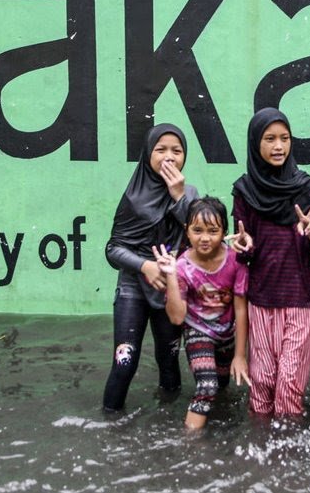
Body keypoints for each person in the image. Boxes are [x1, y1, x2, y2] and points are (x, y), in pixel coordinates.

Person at [231, 107, 310, 417]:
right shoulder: (244, 191)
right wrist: (244, 247)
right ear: (255, 143)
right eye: (270, 139)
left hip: (299, 301)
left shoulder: (306, 188)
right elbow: (243, 250)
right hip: (260, 302)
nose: (279, 146)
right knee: (261, 386)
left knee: (288, 387)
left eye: (284, 138)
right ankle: (259, 462)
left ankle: (288, 463)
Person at [101, 123, 198, 413]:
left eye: (176, 151)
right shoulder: (133, 197)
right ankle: (110, 425)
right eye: (161, 150)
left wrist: (179, 195)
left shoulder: (190, 194)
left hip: (169, 289)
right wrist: (146, 266)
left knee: (168, 361)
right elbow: (112, 249)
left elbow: (197, 236)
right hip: (133, 287)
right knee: (124, 363)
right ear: (147, 154)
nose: (169, 157)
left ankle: (168, 428)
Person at [153, 197, 253, 431]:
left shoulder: (235, 261)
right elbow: (177, 318)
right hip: (198, 331)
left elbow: (240, 308)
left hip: (228, 333)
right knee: (206, 387)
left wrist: (240, 355)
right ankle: (188, 445)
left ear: (224, 233)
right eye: (197, 231)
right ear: (187, 231)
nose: (205, 238)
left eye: (213, 231)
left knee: (220, 385)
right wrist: (170, 277)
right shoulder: (181, 267)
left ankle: (218, 429)